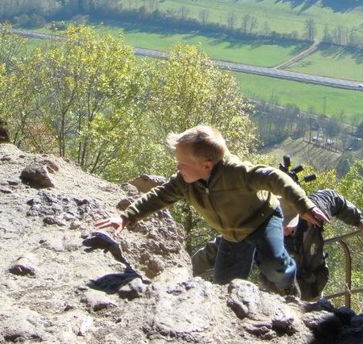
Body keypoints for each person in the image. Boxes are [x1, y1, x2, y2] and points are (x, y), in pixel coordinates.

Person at [93, 124, 329, 295]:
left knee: (275, 266)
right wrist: (126, 217)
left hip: (262, 220)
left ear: (206, 165)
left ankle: (288, 286)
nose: (177, 168)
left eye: (181, 163)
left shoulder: (237, 173)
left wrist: (304, 206)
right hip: (232, 235)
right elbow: (159, 196)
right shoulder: (184, 182)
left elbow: (275, 178)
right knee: (225, 287)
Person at [191, 188, 363, 301]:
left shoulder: (313, 210)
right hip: (278, 298)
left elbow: (334, 199)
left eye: (289, 225)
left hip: (313, 286)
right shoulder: (253, 228)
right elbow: (216, 249)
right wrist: (186, 270)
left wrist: (359, 220)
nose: (285, 231)